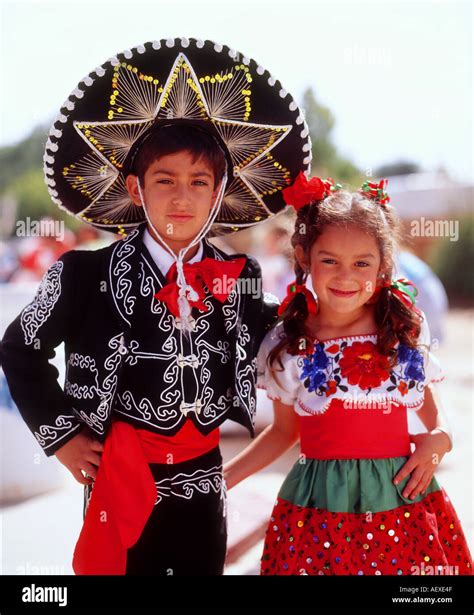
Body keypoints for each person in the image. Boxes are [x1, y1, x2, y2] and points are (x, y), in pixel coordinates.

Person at [0, 38, 312, 575]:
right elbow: (17, 348)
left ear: (219, 193)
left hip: (203, 488)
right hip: (118, 478)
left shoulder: (241, 276)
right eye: (164, 180)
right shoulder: (84, 274)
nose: (181, 198)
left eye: (199, 183)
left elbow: (287, 336)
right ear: (135, 188)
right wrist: (64, 438)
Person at [224, 174, 473, 575]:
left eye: (362, 263)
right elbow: (285, 432)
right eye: (329, 261)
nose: (346, 276)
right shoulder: (288, 345)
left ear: (383, 264)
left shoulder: (402, 329)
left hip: (400, 500)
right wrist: (221, 481)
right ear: (305, 257)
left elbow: (423, 398)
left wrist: (441, 437)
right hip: (319, 506)